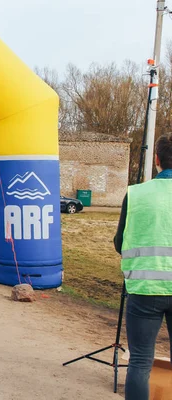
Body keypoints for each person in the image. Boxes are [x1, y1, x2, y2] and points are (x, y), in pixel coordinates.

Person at [114, 134, 172, 400]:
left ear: (157, 160)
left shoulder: (136, 194)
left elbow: (119, 243)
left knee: (139, 361)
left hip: (144, 289)